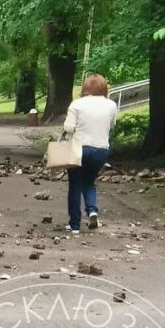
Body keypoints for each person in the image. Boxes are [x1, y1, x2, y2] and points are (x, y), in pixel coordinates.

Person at [63, 73, 118, 235]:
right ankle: (92, 210)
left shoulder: (77, 104)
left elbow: (68, 128)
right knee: (89, 181)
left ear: (85, 88)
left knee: (75, 184)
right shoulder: (111, 105)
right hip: (101, 150)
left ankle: (74, 225)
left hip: (79, 148)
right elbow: (112, 125)